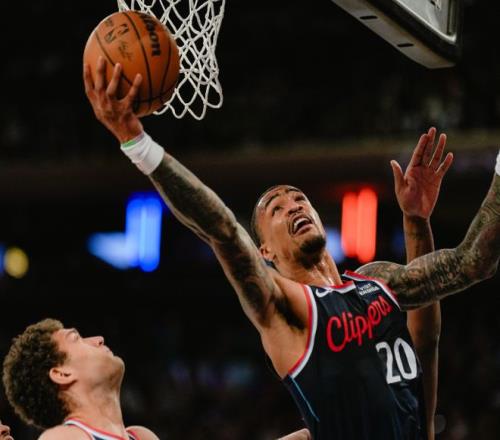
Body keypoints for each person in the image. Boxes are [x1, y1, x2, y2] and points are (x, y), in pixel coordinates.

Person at [83, 58, 499, 438]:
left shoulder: (376, 281)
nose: (294, 206)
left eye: (299, 199)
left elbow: (470, 264)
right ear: (264, 251)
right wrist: (137, 143)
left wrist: (417, 219)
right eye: (276, 208)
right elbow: (221, 229)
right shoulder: (283, 308)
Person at [2, 319, 159, 440]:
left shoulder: (142, 436)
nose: (99, 339)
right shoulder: (63, 438)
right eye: (76, 338)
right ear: (62, 374)